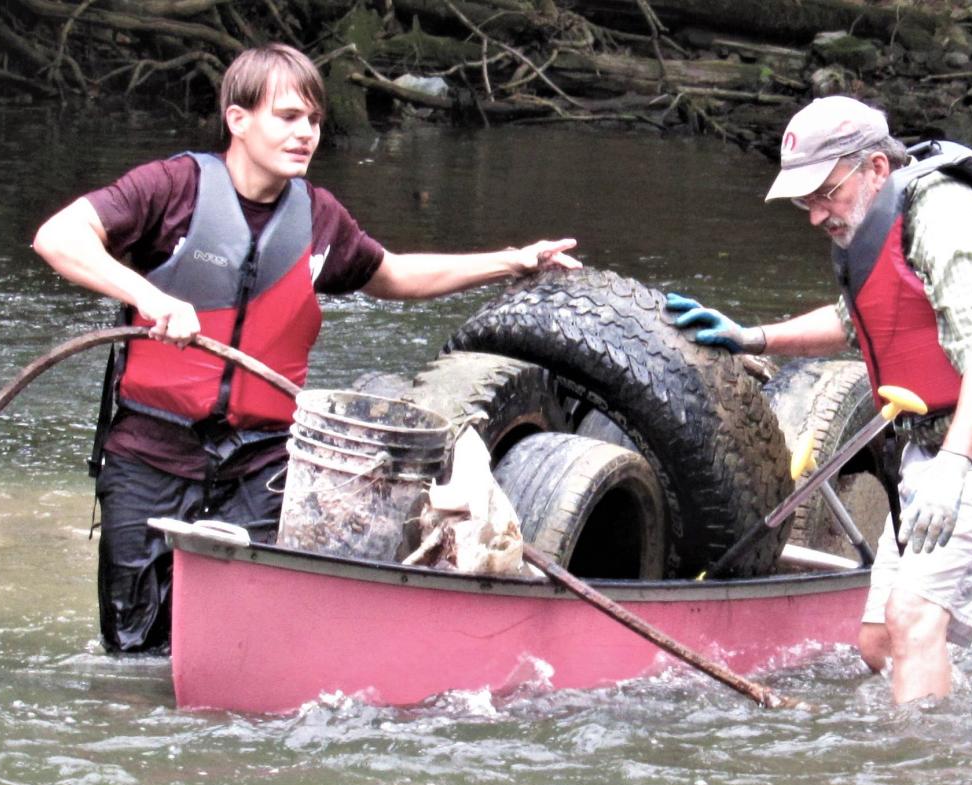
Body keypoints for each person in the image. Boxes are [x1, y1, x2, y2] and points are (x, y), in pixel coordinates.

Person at [33, 43, 582, 655]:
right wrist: (149, 297)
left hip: (262, 465)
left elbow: (394, 276)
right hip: (149, 452)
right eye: (288, 117)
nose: (306, 134)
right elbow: (58, 237)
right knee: (133, 648)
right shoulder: (171, 188)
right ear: (238, 119)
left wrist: (512, 261)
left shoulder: (319, 218)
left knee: (239, 643)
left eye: (315, 121)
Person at [668, 96, 972, 704]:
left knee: (912, 617)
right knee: (879, 643)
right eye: (805, 200)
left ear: (876, 168)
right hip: (928, 448)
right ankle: (949, 712)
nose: (815, 215)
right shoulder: (875, 221)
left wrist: (955, 467)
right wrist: (753, 336)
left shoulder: (946, 219)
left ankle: (921, 773)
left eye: (825, 192)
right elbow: (862, 320)